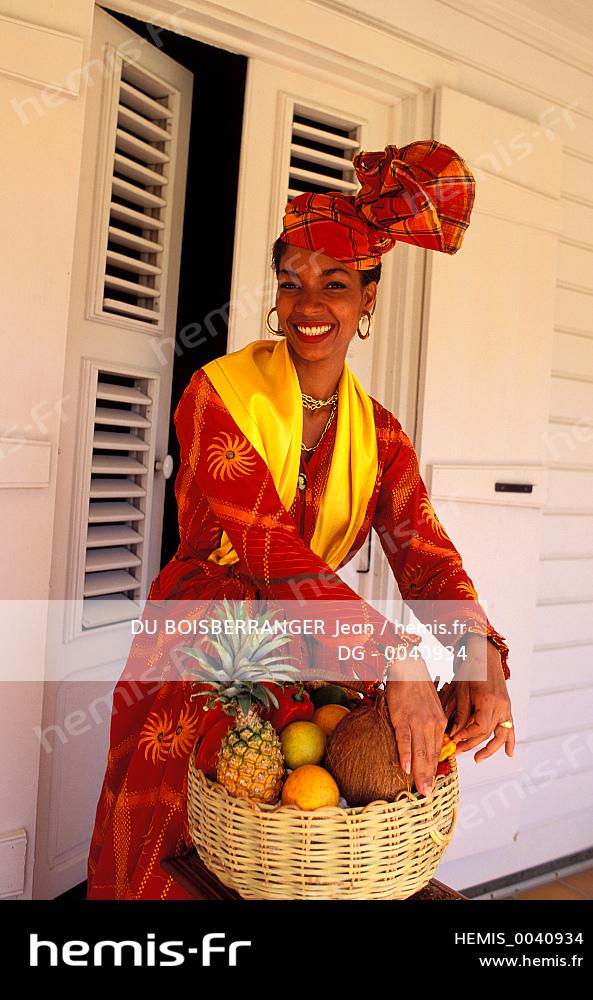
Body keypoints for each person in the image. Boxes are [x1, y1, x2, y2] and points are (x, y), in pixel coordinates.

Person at [86, 140, 514, 900]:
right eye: (292, 284)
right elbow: (266, 547)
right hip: (200, 644)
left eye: (336, 283)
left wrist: (478, 648)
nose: (308, 306)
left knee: (297, 848)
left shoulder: (377, 433)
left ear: (368, 298)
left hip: (315, 641)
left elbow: (422, 551)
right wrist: (396, 655)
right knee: (172, 849)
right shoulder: (217, 394)